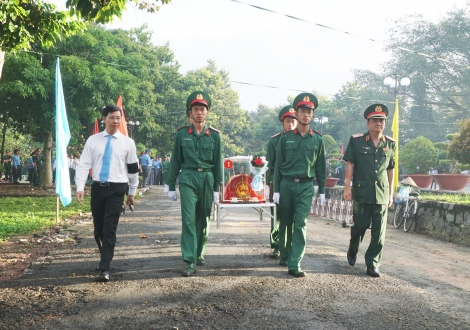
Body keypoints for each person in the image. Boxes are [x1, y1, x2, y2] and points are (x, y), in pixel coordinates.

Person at [75, 104, 139, 282]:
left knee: (109, 228)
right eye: (112, 117)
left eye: (119, 118)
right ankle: (104, 255)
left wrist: (132, 192)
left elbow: (133, 170)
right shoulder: (93, 140)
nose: (116, 121)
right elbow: (84, 165)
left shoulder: (128, 143)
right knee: (98, 229)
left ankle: (105, 267)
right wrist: (80, 187)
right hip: (98, 188)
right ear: (104, 119)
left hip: (117, 189)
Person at [165, 91, 222, 276]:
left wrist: (216, 189)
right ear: (190, 112)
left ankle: (199, 252)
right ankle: (190, 259)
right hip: (188, 177)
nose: (199, 112)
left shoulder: (214, 135)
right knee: (188, 219)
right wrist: (170, 184)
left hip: (207, 178)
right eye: (196, 109)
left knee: (203, 218)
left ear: (207, 112)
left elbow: (218, 163)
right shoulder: (182, 134)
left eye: (203, 109)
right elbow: (175, 160)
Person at [273, 93, 326, 278]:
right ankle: (284, 254)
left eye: (309, 111)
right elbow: (278, 165)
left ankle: (295, 263)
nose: (305, 114)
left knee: (301, 223)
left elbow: (320, 167)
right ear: (296, 113)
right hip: (287, 185)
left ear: (313, 115)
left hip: (305, 186)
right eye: (302, 111)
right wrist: (276, 190)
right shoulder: (285, 138)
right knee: (285, 222)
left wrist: (322, 191)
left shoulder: (318, 140)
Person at [343, 104, 396, 278]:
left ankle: (372, 263)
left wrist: (390, 194)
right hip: (362, 192)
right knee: (359, 226)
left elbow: (390, 169)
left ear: (385, 123)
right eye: (375, 120)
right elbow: (350, 164)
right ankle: (353, 248)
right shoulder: (357, 141)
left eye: (381, 120)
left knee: (379, 232)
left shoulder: (390, 143)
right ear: (368, 123)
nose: (378, 123)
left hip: (381, 193)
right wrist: (347, 187)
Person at [265, 105, 297, 259]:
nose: (290, 124)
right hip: (277, 183)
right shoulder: (274, 141)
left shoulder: (301, 139)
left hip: (294, 184)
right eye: (287, 121)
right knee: (276, 216)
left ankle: (289, 246)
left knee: (291, 217)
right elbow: (270, 165)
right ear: (282, 123)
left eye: (293, 121)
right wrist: (268, 186)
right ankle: (277, 246)